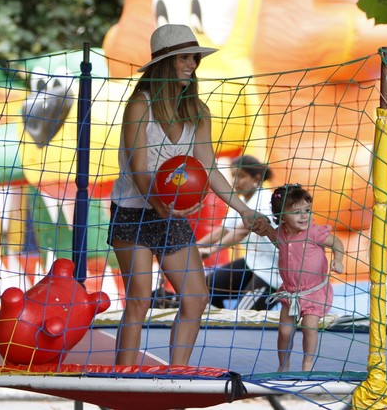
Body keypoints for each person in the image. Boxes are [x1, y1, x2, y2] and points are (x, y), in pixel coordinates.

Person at [107, 24, 269, 367]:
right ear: (164, 63)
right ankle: (121, 380)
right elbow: (138, 169)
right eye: (183, 57)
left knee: (195, 298)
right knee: (138, 299)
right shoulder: (141, 104)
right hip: (134, 211)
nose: (191, 64)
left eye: (194, 57)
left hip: (170, 214)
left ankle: (175, 376)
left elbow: (208, 169)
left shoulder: (199, 112)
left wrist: (243, 210)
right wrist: (160, 206)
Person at [260, 184, 344, 371]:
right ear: (281, 217)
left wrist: (338, 259)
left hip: (313, 292)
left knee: (309, 327)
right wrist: (261, 225)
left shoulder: (314, 233)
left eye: (307, 210)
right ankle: (284, 365)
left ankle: (307, 364)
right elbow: (268, 232)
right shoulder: (280, 233)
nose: (304, 216)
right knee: (284, 331)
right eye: (297, 212)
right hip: (290, 293)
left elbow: (336, 242)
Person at [197, 155, 281, 310]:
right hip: (252, 262)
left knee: (242, 316)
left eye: (241, 176)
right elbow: (222, 231)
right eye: (233, 176)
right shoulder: (241, 202)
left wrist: (211, 250)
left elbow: (241, 231)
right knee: (205, 289)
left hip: (271, 272)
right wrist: (195, 246)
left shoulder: (264, 200)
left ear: (256, 178)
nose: (235, 181)